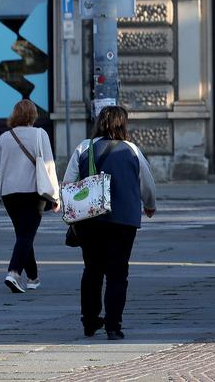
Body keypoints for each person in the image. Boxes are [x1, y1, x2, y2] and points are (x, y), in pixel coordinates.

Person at [63, 106, 156, 339]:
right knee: (118, 273)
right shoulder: (132, 149)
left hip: (89, 220)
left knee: (92, 270)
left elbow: (68, 183)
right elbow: (147, 182)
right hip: (123, 220)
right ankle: (114, 326)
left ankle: (90, 321)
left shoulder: (84, 147)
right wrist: (149, 204)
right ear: (123, 124)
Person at [0, 99, 60, 294]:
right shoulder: (41, 134)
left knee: (23, 234)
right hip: (34, 193)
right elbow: (49, 167)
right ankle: (13, 273)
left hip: (10, 195)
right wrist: (56, 196)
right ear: (33, 115)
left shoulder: (4, 138)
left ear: (14, 115)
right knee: (26, 235)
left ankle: (33, 277)